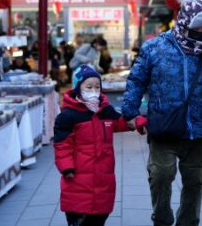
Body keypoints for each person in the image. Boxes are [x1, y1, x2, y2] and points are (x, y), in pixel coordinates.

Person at [122, 0, 202, 226]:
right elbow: (136, 80)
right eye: (198, 30)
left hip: (196, 127)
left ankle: (188, 222)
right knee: (160, 175)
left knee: (195, 180)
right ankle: (162, 219)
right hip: (164, 124)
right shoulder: (155, 47)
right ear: (184, 23)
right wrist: (130, 112)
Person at [54, 65, 147, 226]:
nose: (94, 90)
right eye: (88, 87)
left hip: (104, 176)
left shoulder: (105, 111)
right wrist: (67, 167)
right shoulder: (68, 116)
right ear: (78, 88)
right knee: (79, 217)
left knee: (100, 215)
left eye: (97, 87)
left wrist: (138, 121)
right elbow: (62, 145)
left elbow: (121, 122)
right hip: (78, 178)